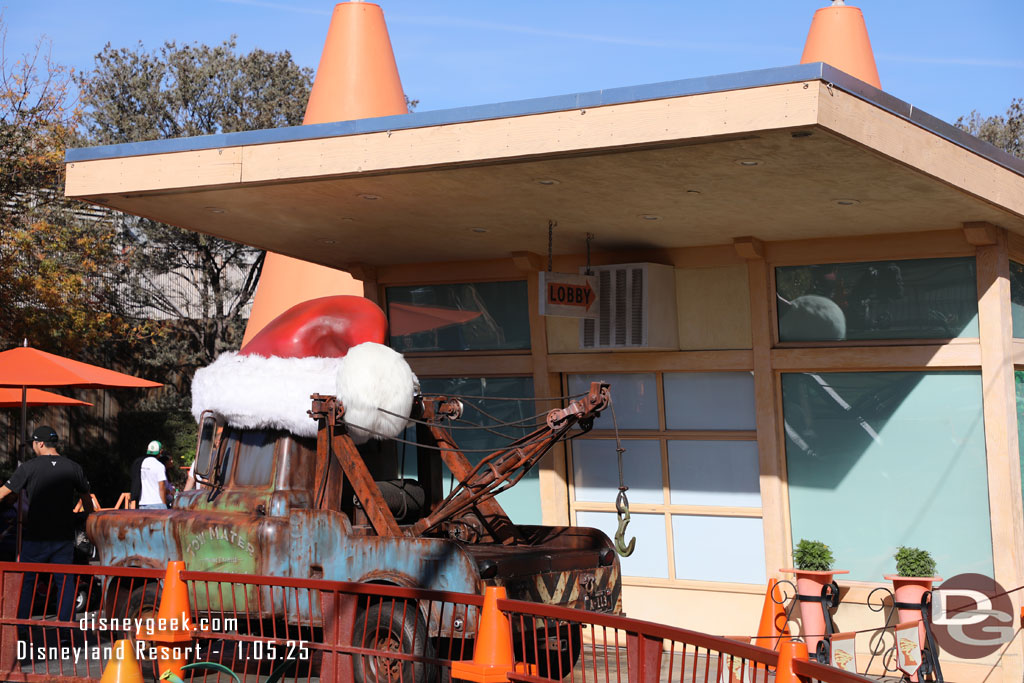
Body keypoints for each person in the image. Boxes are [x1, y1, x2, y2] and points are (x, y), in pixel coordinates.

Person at [0, 425, 93, 644]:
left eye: (33, 444)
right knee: (65, 582)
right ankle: (65, 631)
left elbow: (4, 492)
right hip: (63, 537)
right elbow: (87, 501)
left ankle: (21, 628)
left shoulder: (29, 467)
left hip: (36, 537)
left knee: (27, 582)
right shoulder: (73, 467)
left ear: (40, 443)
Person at [137, 440, 169, 509]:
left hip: (143, 503)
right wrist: (164, 504)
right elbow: (162, 487)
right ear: (160, 452)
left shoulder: (141, 464)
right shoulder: (159, 466)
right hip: (157, 503)